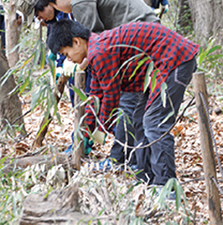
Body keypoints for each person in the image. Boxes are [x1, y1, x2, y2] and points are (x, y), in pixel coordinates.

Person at [47, 19, 199, 187]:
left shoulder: (99, 52)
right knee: (139, 120)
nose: (69, 59)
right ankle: (146, 178)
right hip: (157, 69)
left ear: (76, 42)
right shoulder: (96, 52)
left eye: (67, 54)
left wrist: (101, 130)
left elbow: (111, 97)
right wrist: (83, 133)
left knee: (154, 123)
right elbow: (97, 97)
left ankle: (166, 187)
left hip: (174, 60)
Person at [37, 0, 160, 166]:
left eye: (52, 6)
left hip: (144, 40)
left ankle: (119, 158)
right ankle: (135, 159)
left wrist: (99, 128)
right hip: (140, 40)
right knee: (134, 108)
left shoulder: (79, 3)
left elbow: (96, 48)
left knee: (126, 102)